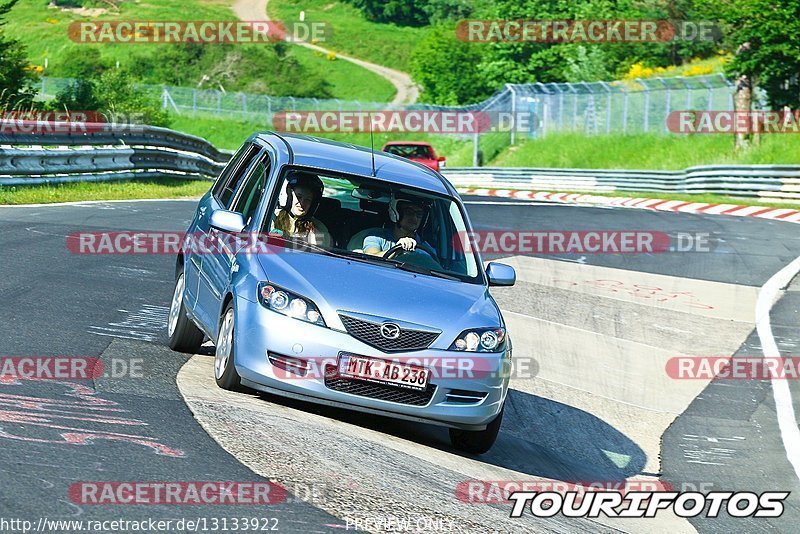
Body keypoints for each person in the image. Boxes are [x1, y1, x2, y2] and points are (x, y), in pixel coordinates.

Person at [270, 171, 332, 247]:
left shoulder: (319, 228)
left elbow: (323, 254)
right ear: (288, 196)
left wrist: (315, 244)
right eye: (298, 197)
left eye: (308, 200)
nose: (302, 203)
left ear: (312, 204)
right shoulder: (271, 218)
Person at [363, 196, 436, 258]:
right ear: (395, 213)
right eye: (409, 212)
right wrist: (397, 250)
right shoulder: (376, 237)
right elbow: (369, 258)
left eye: (419, 214)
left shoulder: (427, 249)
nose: (414, 218)